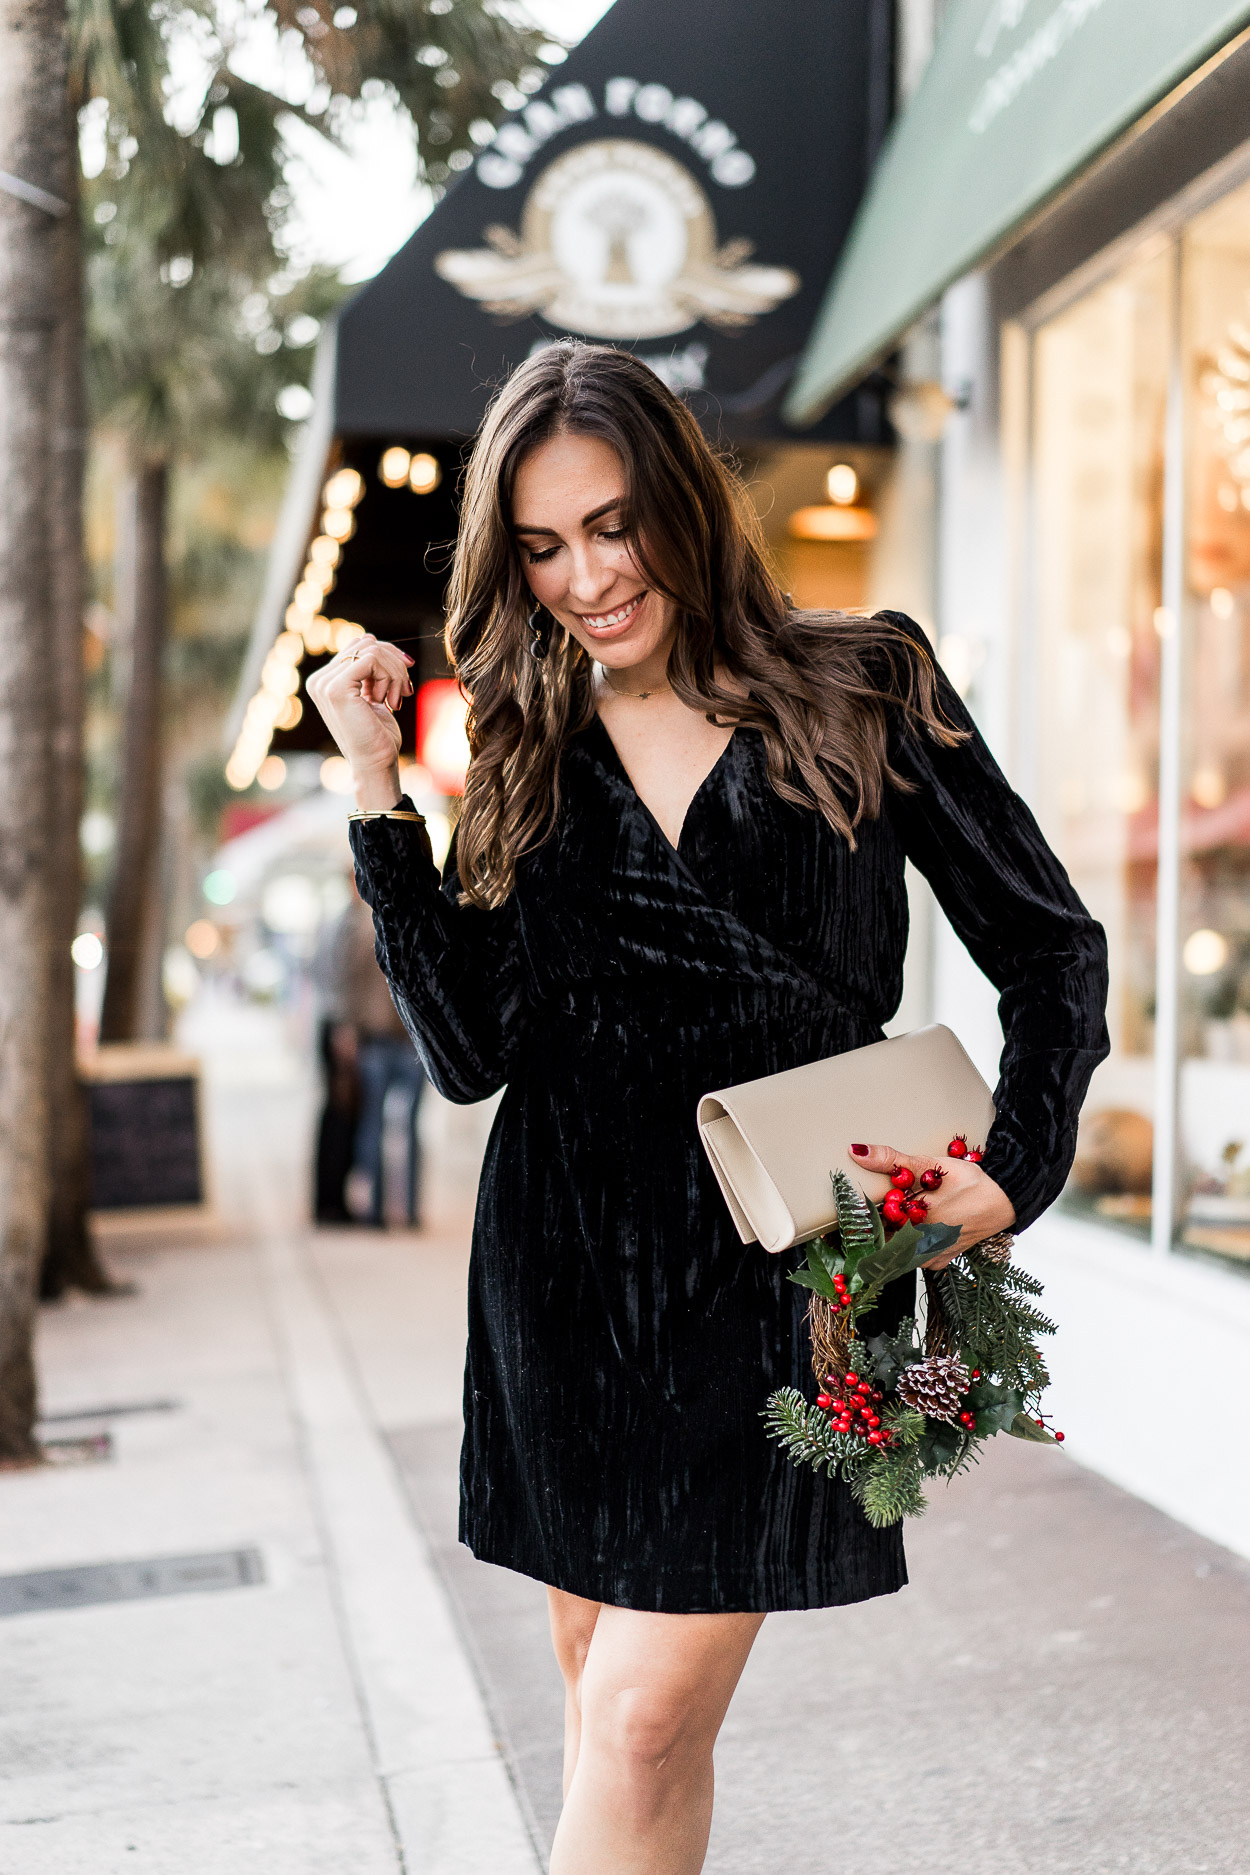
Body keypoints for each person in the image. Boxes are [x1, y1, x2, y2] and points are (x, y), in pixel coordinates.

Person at [308, 342, 1108, 1875]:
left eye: (613, 525)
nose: (586, 578)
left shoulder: (865, 679)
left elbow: (1048, 944)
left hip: (783, 1262)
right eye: (541, 546)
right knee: (614, 1710)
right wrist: (371, 790)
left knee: (638, 1725)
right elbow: (470, 1050)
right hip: (563, 1270)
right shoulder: (529, 734)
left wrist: (1015, 1166)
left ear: (682, 495)